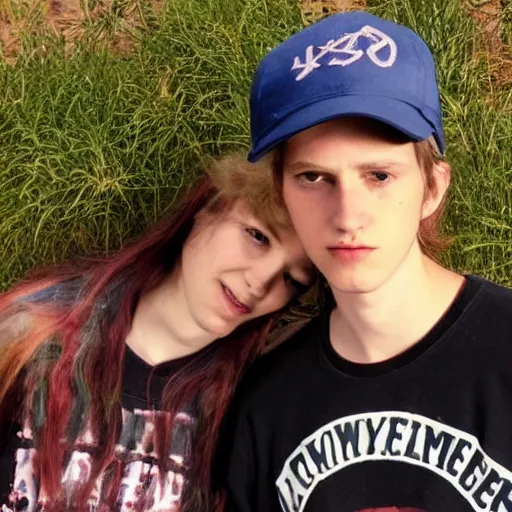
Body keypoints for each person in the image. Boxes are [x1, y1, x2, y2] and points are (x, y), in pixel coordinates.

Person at [221, 10, 512, 512]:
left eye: (379, 176)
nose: (347, 216)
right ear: (281, 194)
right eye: (314, 178)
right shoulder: (266, 406)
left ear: (433, 188)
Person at [0, 153, 315, 512]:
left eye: (292, 279)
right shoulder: (33, 333)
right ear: (207, 207)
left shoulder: (244, 406)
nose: (260, 283)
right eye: (257, 236)